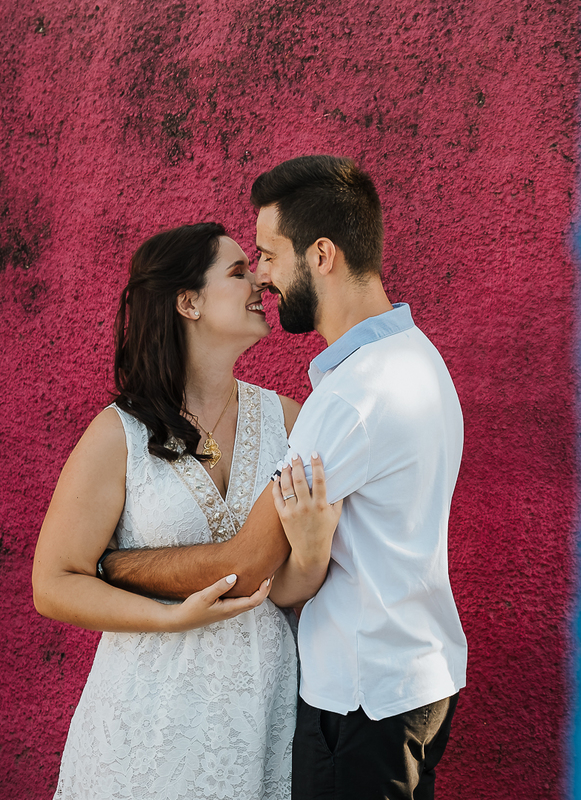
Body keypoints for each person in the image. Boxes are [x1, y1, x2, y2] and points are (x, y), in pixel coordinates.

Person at [94, 155, 469, 800]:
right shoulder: (417, 359)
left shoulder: (350, 397)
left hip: (363, 699)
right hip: (412, 681)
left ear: (321, 255)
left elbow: (247, 565)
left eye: (268, 255)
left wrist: (117, 565)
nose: (263, 278)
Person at [31, 222, 337, 798]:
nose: (260, 285)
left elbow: (283, 589)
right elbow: (52, 583)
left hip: (258, 716)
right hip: (145, 724)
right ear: (188, 302)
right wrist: (172, 617)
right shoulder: (117, 434)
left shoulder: (293, 421)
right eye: (239, 272)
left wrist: (314, 554)